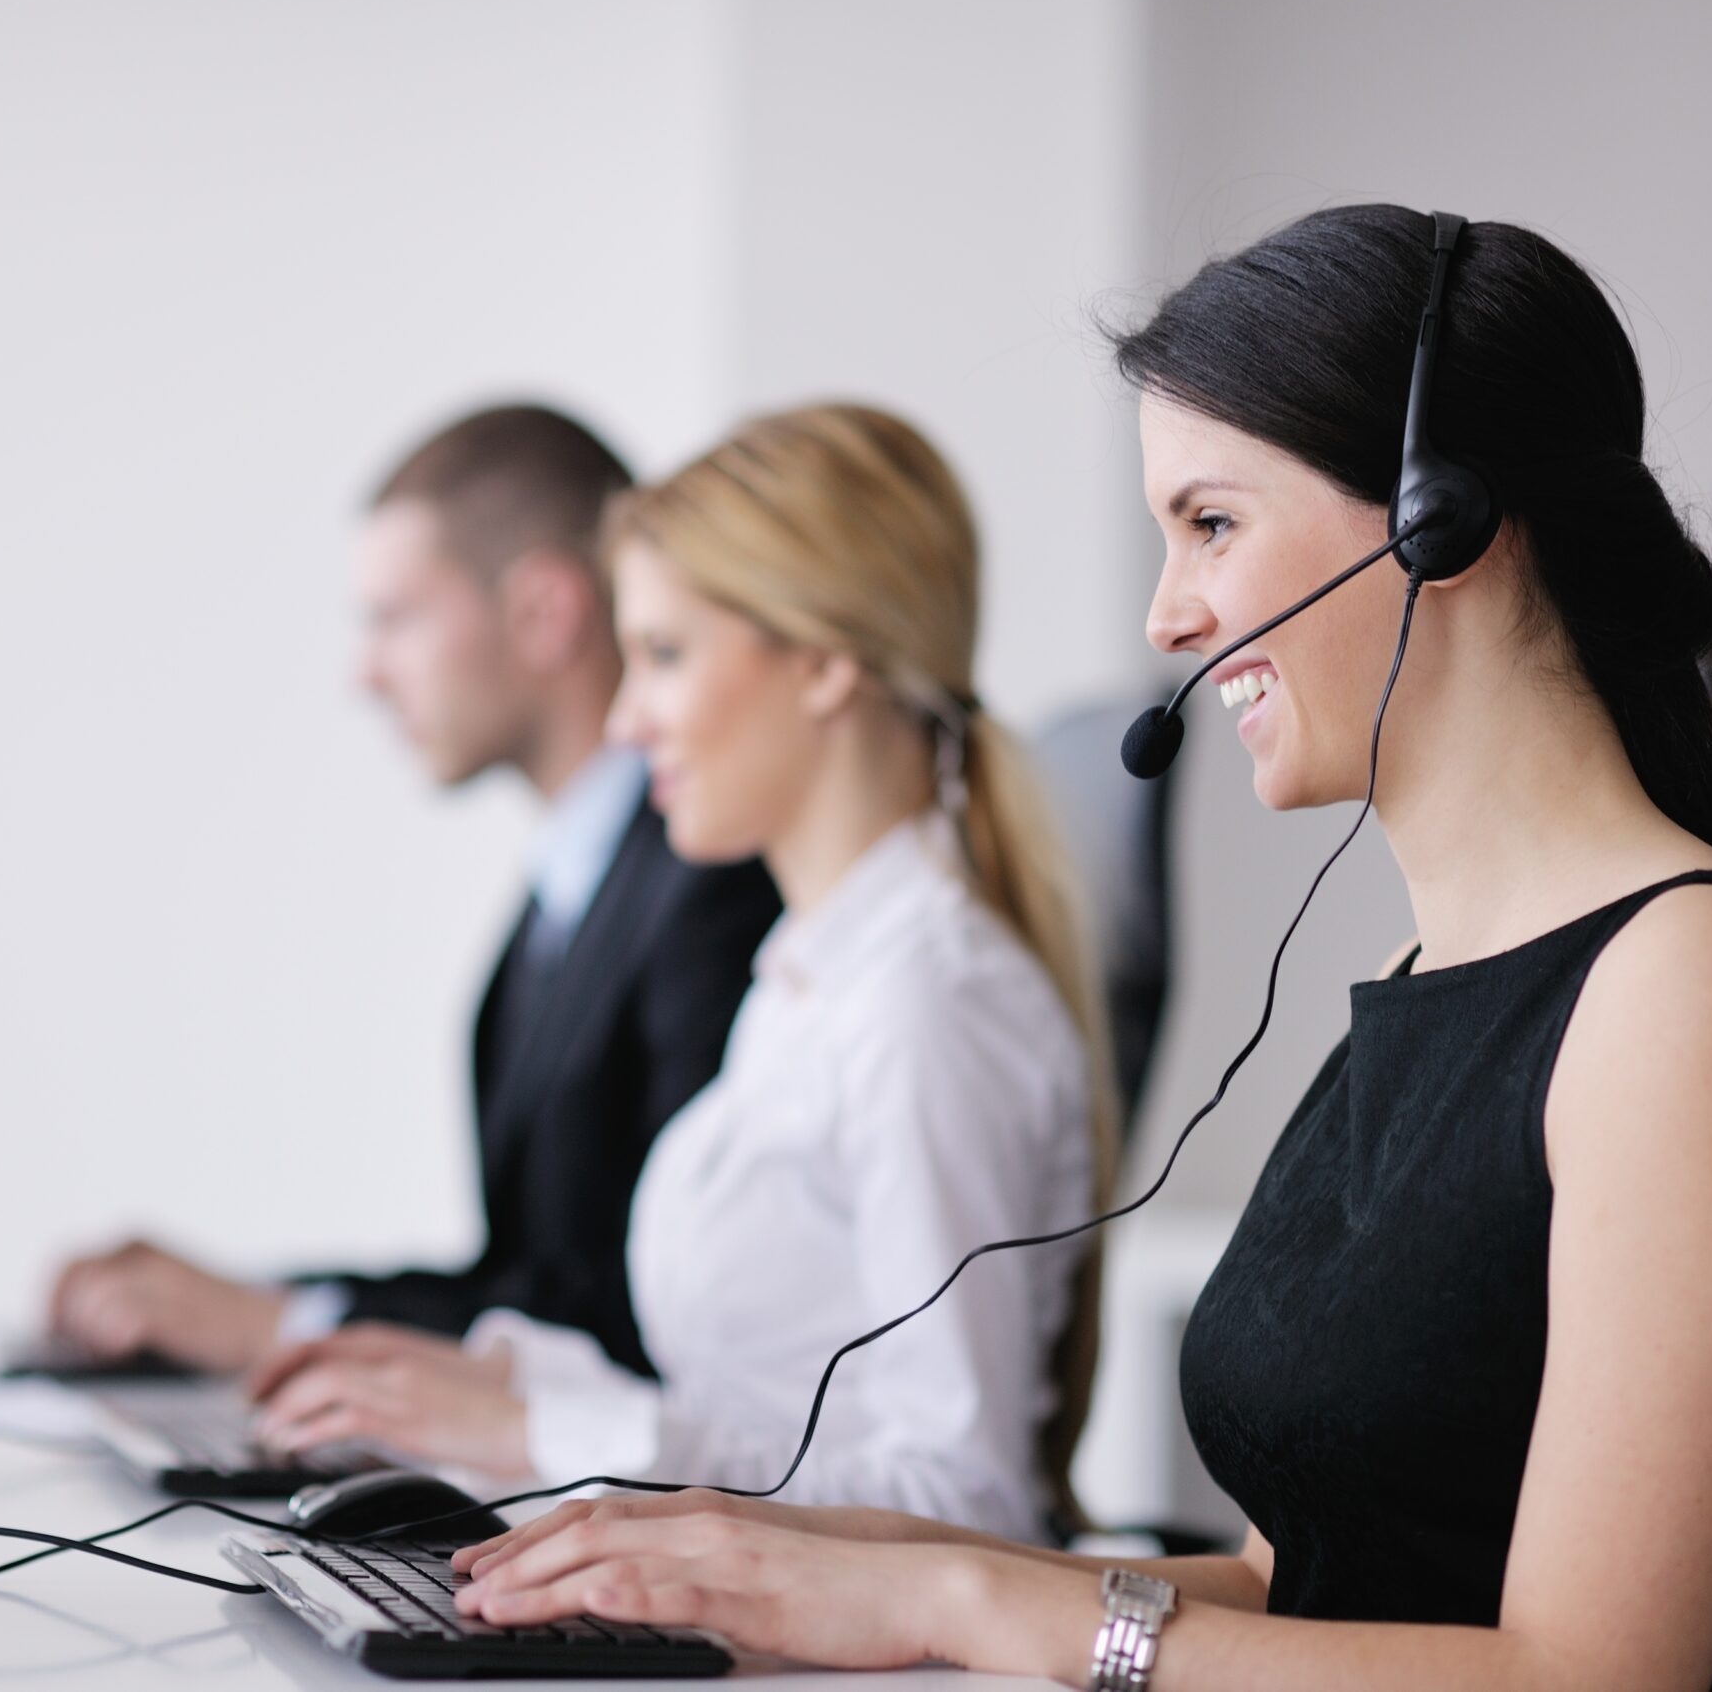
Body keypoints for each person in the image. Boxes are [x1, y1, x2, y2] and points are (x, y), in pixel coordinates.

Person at [438, 209, 1712, 1692]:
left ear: (1431, 515)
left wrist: (972, 1604)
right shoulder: (1416, 978)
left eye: (1212, 523)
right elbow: (1292, 1580)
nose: (1167, 615)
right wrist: (809, 1560)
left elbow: (1589, 1676)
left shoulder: (1694, 990)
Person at [248, 404, 1120, 1543]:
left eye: (662, 654)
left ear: (820, 661)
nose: (625, 716)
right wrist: (499, 1393)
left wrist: (555, 1433)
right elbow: (765, 1410)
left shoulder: (925, 1001)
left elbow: (967, 1499)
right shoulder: (811, 971)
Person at [48, 405, 780, 1378]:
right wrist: (242, 1300)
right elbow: (520, 1274)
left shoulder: (713, 889)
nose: (366, 673)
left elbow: (646, 1318)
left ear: (542, 611)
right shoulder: (569, 890)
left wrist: (284, 1326)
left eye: (396, 617)